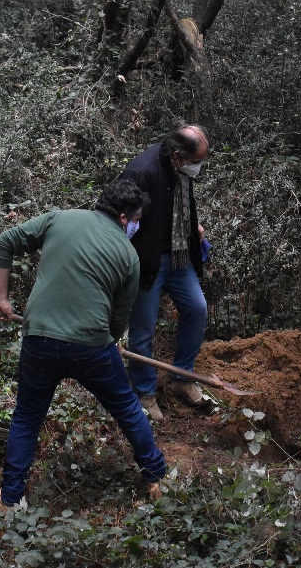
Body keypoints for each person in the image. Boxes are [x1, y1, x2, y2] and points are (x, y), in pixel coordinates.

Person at [0, 179, 167, 512]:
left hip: (39, 340)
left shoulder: (59, 218)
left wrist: (1, 298)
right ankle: (156, 477)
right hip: (91, 348)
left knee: (27, 416)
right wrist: (111, 342)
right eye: (137, 220)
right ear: (125, 218)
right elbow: (118, 317)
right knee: (128, 408)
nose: (137, 226)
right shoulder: (129, 255)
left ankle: (10, 500)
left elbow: (5, 241)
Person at [119, 125, 210, 421]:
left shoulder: (180, 168)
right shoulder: (142, 171)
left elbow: (179, 205)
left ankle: (182, 378)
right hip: (148, 261)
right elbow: (117, 215)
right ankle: (144, 392)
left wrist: (192, 226)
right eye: (196, 161)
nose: (198, 167)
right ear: (178, 154)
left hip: (179, 256)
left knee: (197, 309)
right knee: (143, 329)